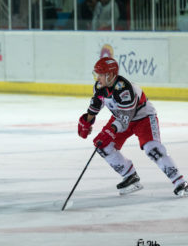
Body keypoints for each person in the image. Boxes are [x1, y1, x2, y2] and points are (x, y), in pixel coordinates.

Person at [78, 57, 188, 196]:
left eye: (101, 74)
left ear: (110, 75)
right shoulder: (100, 87)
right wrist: (86, 121)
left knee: (152, 148)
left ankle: (180, 183)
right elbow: (96, 105)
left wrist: (110, 132)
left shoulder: (125, 89)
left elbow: (125, 118)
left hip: (143, 118)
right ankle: (130, 176)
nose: (97, 78)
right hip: (121, 117)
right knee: (103, 146)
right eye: (97, 74)